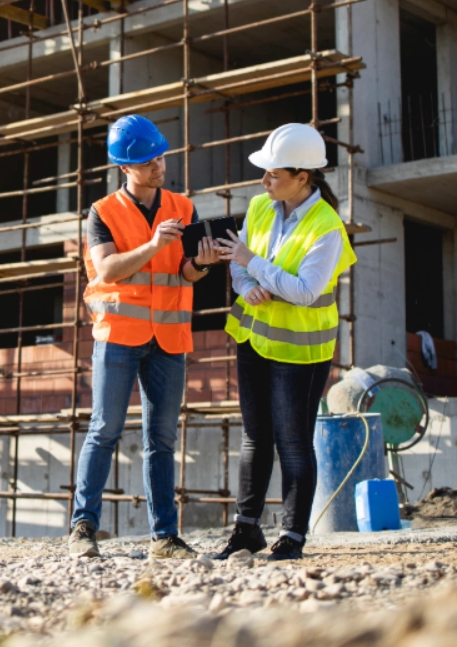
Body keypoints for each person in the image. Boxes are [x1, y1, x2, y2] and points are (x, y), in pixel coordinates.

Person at [69, 115, 220, 559]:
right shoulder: (103, 212)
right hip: (119, 335)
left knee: (162, 439)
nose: (159, 164)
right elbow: (108, 269)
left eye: (161, 155)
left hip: (169, 339)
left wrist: (205, 263)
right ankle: (83, 528)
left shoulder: (183, 206)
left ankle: (165, 538)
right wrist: (154, 244)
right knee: (104, 430)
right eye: (149, 160)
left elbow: (185, 273)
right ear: (125, 167)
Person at [214, 123, 356, 561]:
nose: (264, 181)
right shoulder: (260, 206)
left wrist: (251, 262)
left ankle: (292, 537)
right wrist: (244, 283)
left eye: (273, 174)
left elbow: (306, 290)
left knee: (294, 442)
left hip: (301, 350)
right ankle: (247, 529)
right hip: (254, 339)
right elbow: (238, 261)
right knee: (255, 438)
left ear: (303, 177)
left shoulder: (326, 226)